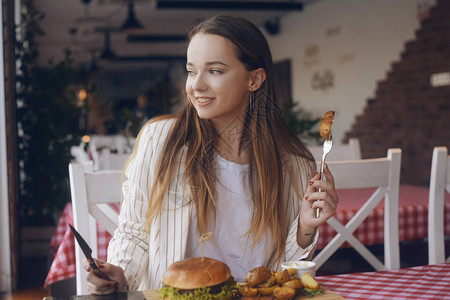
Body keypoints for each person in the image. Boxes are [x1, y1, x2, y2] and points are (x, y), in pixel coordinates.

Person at [84, 15, 339, 294]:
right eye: (192, 71)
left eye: (214, 71)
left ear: (254, 79)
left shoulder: (294, 163)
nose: (196, 85)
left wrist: (304, 225)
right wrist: (121, 275)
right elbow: (134, 232)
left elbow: (286, 271)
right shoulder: (161, 140)